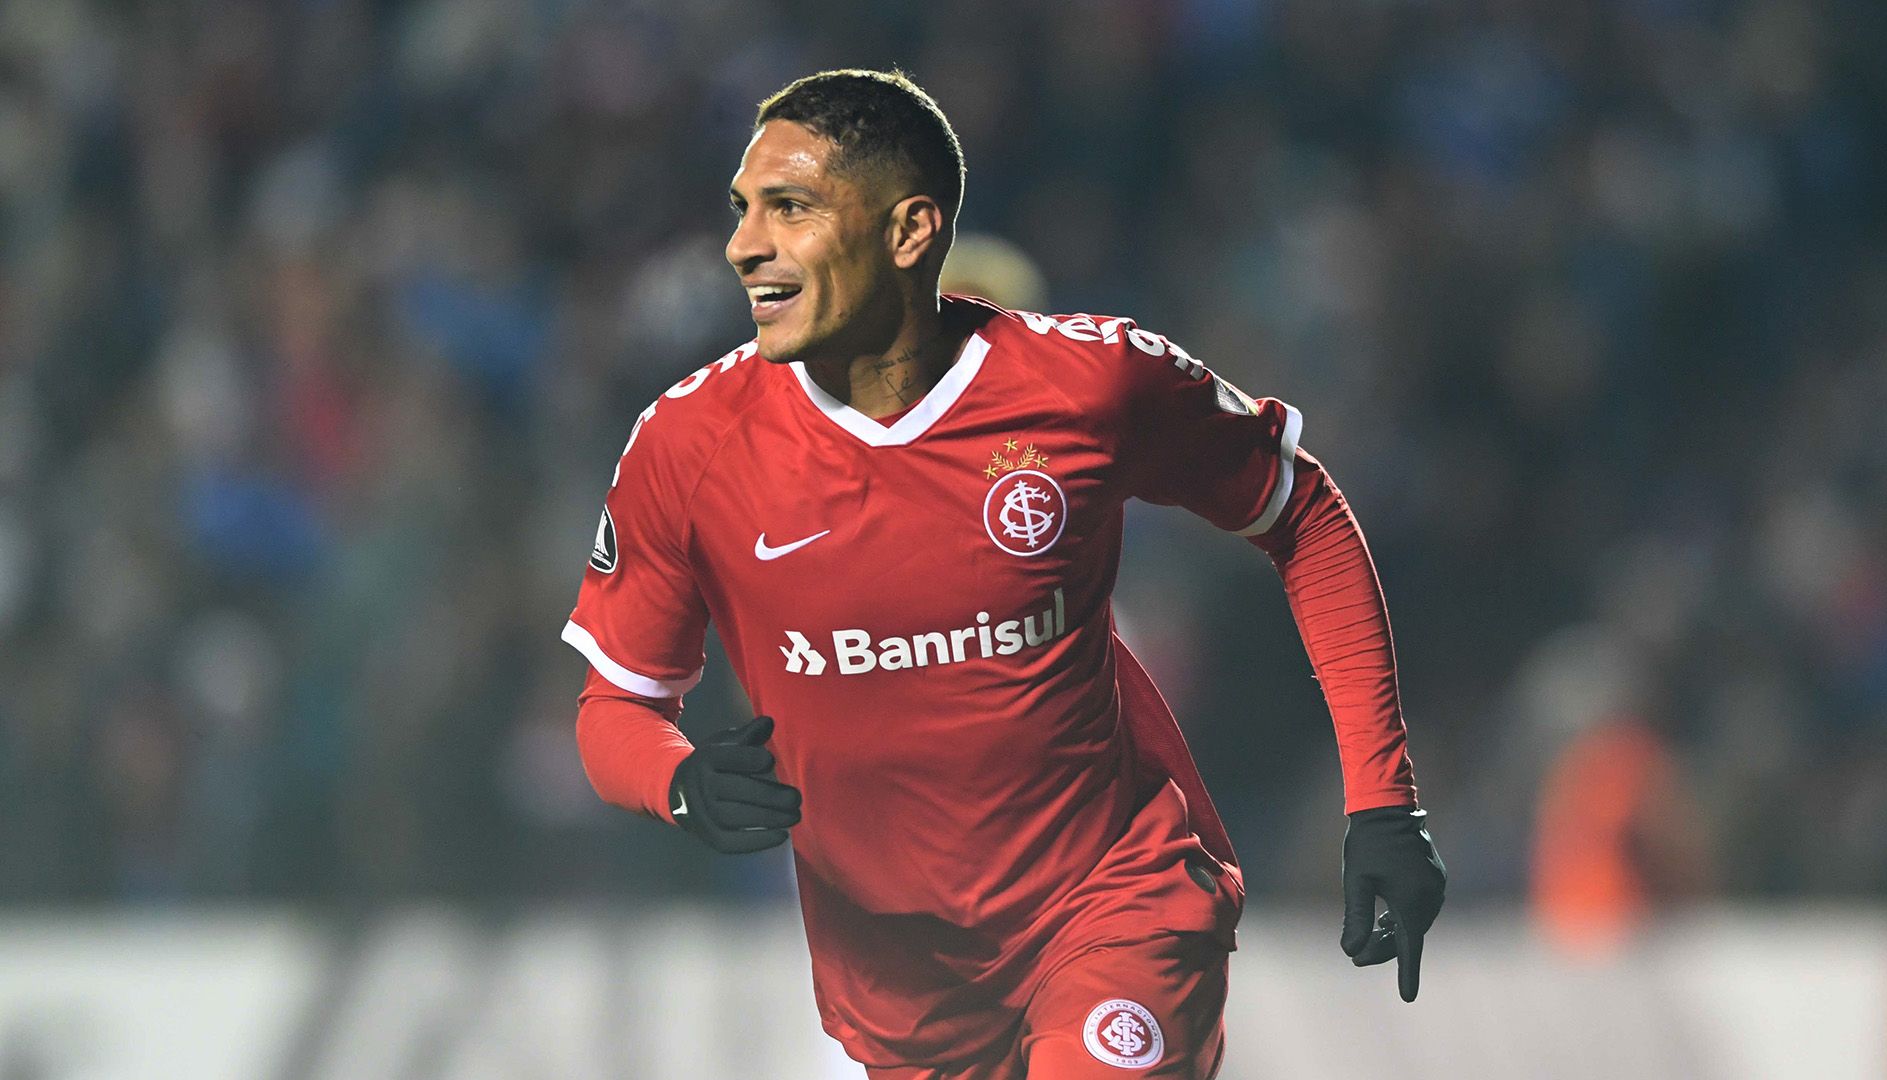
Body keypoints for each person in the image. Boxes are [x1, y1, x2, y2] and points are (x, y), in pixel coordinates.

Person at [563, 68, 1446, 1079]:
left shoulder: (1091, 385)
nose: (744, 245)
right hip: (899, 988)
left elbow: (1305, 515)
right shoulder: (688, 446)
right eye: (744, 210)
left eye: (792, 210)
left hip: (1114, 901)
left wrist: (1383, 802)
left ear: (909, 233)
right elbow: (613, 706)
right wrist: (676, 783)